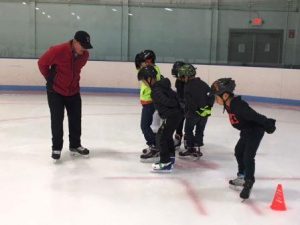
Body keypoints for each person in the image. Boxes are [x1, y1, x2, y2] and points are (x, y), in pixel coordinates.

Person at [211, 78, 276, 199]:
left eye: (216, 96)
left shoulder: (238, 105)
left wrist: (268, 123)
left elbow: (254, 116)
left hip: (255, 131)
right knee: (238, 152)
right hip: (246, 131)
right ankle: (242, 176)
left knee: (248, 156)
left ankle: (248, 181)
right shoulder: (230, 105)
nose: (215, 99)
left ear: (225, 95)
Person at [37, 31, 93, 161]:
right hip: (55, 91)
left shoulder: (85, 55)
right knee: (57, 119)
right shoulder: (58, 50)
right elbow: (42, 63)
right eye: (82, 45)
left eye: (86, 46)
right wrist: (50, 78)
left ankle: (75, 145)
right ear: (75, 42)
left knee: (76, 119)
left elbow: (75, 71)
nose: (84, 49)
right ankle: (56, 148)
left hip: (73, 91)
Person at [137, 65, 183, 172]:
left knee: (161, 138)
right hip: (175, 115)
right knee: (166, 136)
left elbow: (167, 101)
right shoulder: (161, 86)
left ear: (149, 79)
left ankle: (165, 162)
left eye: (144, 81)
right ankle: (170, 158)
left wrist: (176, 104)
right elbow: (173, 95)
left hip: (172, 116)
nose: (144, 84)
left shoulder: (156, 91)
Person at [177, 64, 214, 159]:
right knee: (200, 130)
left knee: (188, 130)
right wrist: (209, 107)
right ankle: (197, 149)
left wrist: (189, 112)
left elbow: (190, 102)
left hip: (193, 114)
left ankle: (190, 148)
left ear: (186, 76)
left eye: (182, 76)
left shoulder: (188, 87)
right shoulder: (203, 83)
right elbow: (211, 95)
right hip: (204, 114)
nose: (182, 78)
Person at [135, 50, 162, 162]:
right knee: (148, 126)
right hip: (148, 102)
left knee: (144, 126)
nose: (142, 64)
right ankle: (155, 145)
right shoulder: (150, 69)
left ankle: (154, 146)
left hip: (150, 103)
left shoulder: (151, 71)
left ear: (149, 61)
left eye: (144, 62)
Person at [171, 61, 186, 148]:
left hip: (190, 105)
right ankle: (178, 136)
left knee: (189, 124)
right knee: (179, 122)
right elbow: (179, 94)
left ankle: (188, 139)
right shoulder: (178, 82)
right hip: (181, 105)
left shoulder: (189, 81)